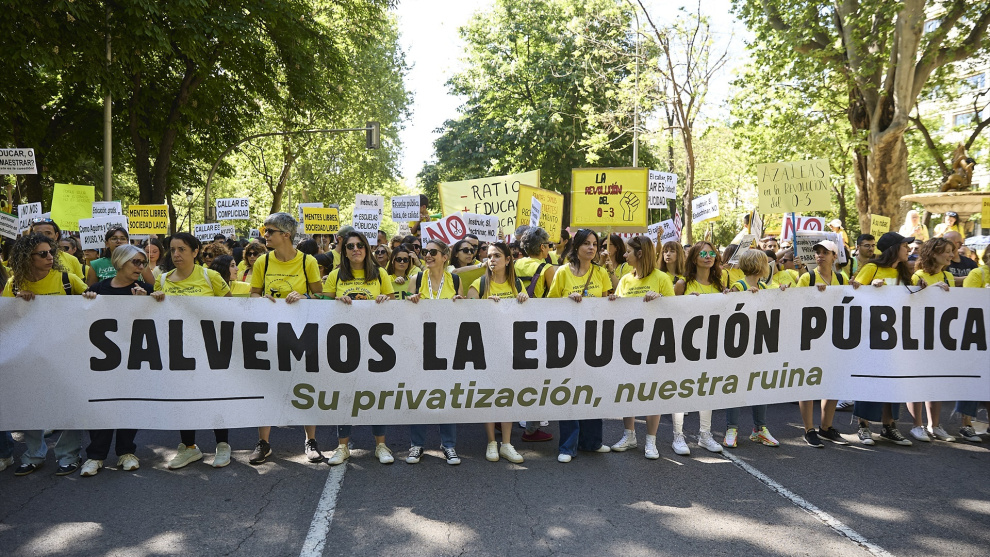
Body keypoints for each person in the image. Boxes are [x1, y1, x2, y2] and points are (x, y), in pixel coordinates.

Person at [147, 233, 234, 468]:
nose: (176, 254)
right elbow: (156, 316)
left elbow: (231, 308)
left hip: (209, 350)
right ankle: (189, 447)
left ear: (195, 252)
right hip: (177, 351)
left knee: (215, 396)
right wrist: (155, 301)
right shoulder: (162, 280)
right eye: (173, 249)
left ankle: (222, 445)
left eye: (182, 249)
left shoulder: (210, 276)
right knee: (182, 398)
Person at [4, 233, 88, 476]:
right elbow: (5, 319)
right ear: (26, 258)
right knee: (30, 404)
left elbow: (94, 306)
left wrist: (90, 296)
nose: (50, 257)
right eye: (43, 254)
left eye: (51, 252)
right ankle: (33, 454)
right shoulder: (14, 284)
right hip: (29, 357)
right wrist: (17, 302)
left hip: (67, 354)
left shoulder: (67, 279)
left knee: (69, 404)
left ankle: (69, 455)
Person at [249, 213, 324, 464]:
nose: (265, 235)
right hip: (270, 334)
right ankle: (263, 443)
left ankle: (311, 441)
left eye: (269, 231)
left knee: (306, 386)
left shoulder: (307, 261)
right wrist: (262, 300)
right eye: (265, 231)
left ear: (286, 235)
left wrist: (305, 297)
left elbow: (321, 297)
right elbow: (253, 294)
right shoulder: (262, 261)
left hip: (302, 334)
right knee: (266, 387)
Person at [78, 244, 154, 476]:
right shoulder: (97, 289)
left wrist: (149, 302)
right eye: (136, 262)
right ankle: (95, 456)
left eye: (143, 263)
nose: (140, 267)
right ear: (120, 262)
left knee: (130, 403)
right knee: (102, 405)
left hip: (134, 358)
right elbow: (83, 321)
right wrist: (87, 301)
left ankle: (126, 451)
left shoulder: (145, 289)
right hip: (103, 361)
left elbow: (156, 323)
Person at [321, 231, 396, 466]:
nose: (356, 249)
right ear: (344, 251)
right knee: (345, 395)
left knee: (376, 393)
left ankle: (381, 445)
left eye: (360, 245)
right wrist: (335, 302)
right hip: (344, 345)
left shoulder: (380, 274)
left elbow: (394, 306)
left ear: (367, 249)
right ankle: (342, 447)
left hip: (375, 346)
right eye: (350, 246)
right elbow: (323, 307)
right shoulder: (335, 275)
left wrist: (385, 300)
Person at [548, 229, 616, 463]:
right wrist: (566, 301)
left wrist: (611, 300)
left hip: (594, 341)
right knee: (569, 391)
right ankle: (567, 447)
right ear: (576, 247)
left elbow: (606, 305)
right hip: (567, 342)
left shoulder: (601, 273)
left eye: (595, 244)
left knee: (592, 390)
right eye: (587, 243)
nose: (591, 248)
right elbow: (549, 305)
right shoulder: (562, 272)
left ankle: (592, 442)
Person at [608, 236, 674, 459]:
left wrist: (661, 299)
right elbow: (617, 310)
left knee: (652, 392)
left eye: (628, 251)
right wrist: (612, 302)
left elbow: (674, 310)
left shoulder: (662, 278)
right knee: (628, 390)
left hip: (655, 345)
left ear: (640, 253)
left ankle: (651, 441)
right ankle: (629, 435)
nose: (624, 255)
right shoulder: (625, 280)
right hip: (628, 346)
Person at [467, 241, 527, 464]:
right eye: (490, 256)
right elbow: (466, 316)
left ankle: (507, 444)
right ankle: (492, 442)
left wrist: (524, 301)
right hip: (484, 349)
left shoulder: (517, 284)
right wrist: (484, 307)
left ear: (508, 260)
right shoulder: (479, 284)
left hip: (511, 349)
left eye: (497, 256)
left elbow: (527, 316)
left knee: (507, 396)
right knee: (489, 395)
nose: (492, 260)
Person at [852, 231, 915, 446]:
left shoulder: (904, 272)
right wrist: (870, 288)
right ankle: (863, 425)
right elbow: (853, 293)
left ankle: (889, 426)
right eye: (905, 246)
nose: (908, 249)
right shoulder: (872, 268)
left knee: (893, 381)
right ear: (893, 249)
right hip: (870, 336)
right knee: (869, 379)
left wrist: (928, 289)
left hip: (896, 338)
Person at [406, 239, 464, 464]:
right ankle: (416, 445)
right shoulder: (416, 279)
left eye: (433, 252)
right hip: (421, 347)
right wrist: (411, 301)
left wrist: (460, 302)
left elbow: (461, 315)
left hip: (448, 347)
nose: (427, 255)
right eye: (425, 251)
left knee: (447, 396)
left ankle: (448, 445)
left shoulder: (455, 280)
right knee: (419, 396)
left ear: (444, 256)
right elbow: (406, 315)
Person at [794, 240, 852, 447]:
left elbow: (850, 301)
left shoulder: (841, 278)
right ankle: (809, 430)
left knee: (832, 382)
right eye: (818, 252)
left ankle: (826, 428)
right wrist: (811, 295)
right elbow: (794, 304)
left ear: (835, 256)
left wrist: (858, 287)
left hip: (834, 337)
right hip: (810, 338)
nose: (820, 255)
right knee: (808, 383)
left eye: (825, 252)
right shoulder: (807, 278)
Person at [671, 242, 727, 455]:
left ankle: (705, 434)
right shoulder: (682, 284)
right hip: (685, 346)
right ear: (694, 258)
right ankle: (678, 436)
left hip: (710, 345)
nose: (708, 256)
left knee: (707, 389)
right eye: (703, 253)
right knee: (681, 389)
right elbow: (671, 314)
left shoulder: (719, 284)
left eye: (712, 253)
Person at [724, 251, 782, 448]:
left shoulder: (764, 287)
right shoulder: (738, 286)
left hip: (758, 344)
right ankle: (732, 428)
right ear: (760, 265)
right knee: (735, 385)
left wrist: (781, 293)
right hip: (739, 345)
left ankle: (759, 429)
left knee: (759, 385)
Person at [905, 237, 957, 442]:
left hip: (940, 337)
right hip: (918, 336)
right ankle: (916, 425)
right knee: (917, 380)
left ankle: (934, 425)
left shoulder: (948, 276)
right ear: (934, 253)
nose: (952, 255)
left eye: (952, 250)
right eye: (947, 251)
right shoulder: (918, 275)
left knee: (937, 381)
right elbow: (909, 303)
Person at [512, 226, 558, 442]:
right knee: (538, 376)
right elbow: (555, 297)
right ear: (542, 247)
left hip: (515, 322)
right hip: (539, 324)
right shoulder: (547, 269)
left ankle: (510, 418)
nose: (549, 248)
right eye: (548, 245)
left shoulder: (515, 264)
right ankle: (531, 428)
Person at [87, 227, 155, 285]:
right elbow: (91, 291)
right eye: (114, 238)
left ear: (127, 242)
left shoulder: (139, 262)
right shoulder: (95, 264)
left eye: (122, 239)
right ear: (107, 243)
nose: (119, 241)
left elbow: (153, 288)